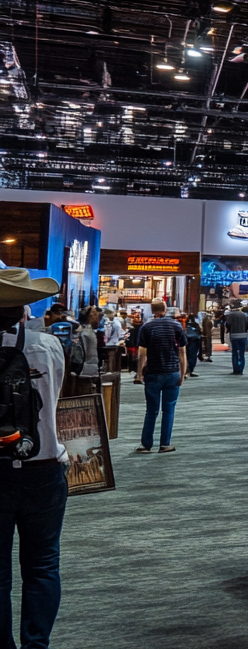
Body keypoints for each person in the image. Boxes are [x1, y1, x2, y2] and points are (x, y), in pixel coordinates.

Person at [0, 268, 70, 649]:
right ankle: (36, 644)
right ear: (24, 308)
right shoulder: (47, 346)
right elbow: (55, 397)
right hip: (43, 466)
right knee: (42, 566)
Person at [135, 300, 186, 454]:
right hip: (172, 372)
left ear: (152, 310)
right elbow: (182, 353)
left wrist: (138, 374)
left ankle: (146, 444)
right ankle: (165, 443)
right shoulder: (176, 326)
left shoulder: (146, 327)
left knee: (151, 410)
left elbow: (142, 353)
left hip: (153, 373)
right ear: (165, 309)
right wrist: (182, 374)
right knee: (168, 409)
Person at [223, 303, 248, 375]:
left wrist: (230, 330)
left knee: (235, 353)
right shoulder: (245, 315)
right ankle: (241, 370)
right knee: (242, 354)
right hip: (243, 336)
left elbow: (227, 325)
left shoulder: (230, 316)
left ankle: (235, 369)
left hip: (234, 336)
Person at [75, 306, 101, 379]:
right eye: (95, 315)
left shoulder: (88, 331)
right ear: (89, 317)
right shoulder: (86, 333)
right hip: (87, 368)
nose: (97, 318)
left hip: (91, 366)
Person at [182, 312, 203, 378]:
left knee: (186, 355)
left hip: (187, 340)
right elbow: (200, 332)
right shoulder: (195, 324)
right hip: (195, 340)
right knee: (193, 355)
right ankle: (190, 370)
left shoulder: (184, 324)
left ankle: (186, 371)